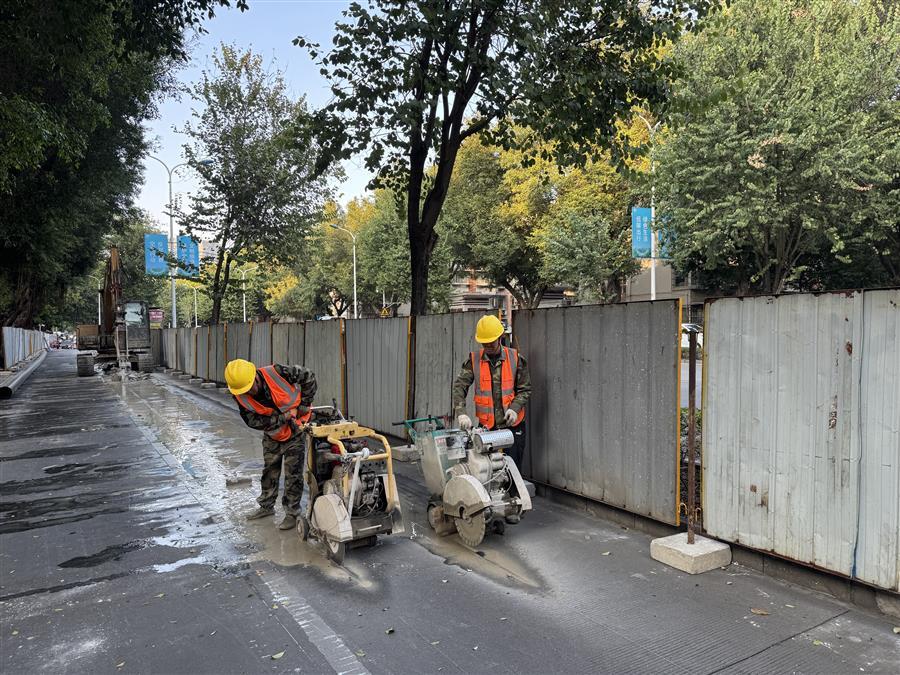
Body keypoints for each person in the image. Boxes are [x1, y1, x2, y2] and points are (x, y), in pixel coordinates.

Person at [451, 315, 531, 522]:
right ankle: (487, 508)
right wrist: (461, 412)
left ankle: (512, 508)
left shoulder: (515, 358)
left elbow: (525, 389)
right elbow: (460, 387)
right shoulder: (474, 360)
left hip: (512, 423)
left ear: (500, 338)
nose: (487, 347)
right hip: (487, 425)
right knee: (486, 468)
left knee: (512, 466)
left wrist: (514, 409)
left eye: (491, 343)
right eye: (484, 343)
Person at [224, 358, 317, 530]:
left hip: (296, 429)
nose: (248, 392)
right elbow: (253, 421)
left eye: (250, 387)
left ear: (255, 376)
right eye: (244, 390)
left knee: (293, 473)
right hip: (273, 434)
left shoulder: (278, 373)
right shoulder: (239, 394)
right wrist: (284, 417)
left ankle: (292, 513)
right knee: (269, 470)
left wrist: (304, 405)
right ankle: (266, 506)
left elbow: (308, 376)